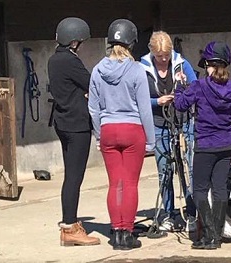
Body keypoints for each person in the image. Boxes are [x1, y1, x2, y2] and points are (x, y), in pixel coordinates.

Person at [88, 19, 155, 250]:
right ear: (132, 43)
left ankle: (115, 231)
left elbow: (93, 108)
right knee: (130, 184)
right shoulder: (137, 70)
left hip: (108, 128)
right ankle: (127, 233)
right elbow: (145, 108)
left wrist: (99, 133)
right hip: (132, 129)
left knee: (114, 183)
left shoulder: (97, 69)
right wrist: (151, 140)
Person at [174, 41, 231, 249]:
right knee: (219, 188)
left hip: (205, 144)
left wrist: (178, 87)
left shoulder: (199, 86)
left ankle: (209, 235)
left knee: (200, 190)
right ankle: (217, 236)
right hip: (227, 144)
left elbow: (180, 104)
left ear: (208, 65)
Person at [48, 17, 100, 246]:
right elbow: (91, 83)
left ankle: (70, 221)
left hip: (62, 121)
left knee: (71, 175)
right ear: (74, 40)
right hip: (77, 124)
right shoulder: (70, 61)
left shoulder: (53, 59)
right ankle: (69, 226)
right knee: (74, 177)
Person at [139, 31, 197, 232]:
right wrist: (157, 101)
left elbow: (195, 88)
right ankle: (169, 213)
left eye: (166, 55)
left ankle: (192, 212)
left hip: (183, 121)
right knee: (165, 170)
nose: (163, 59)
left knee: (189, 166)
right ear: (152, 53)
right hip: (158, 122)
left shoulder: (182, 64)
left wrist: (183, 87)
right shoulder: (142, 68)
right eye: (159, 56)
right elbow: (137, 97)